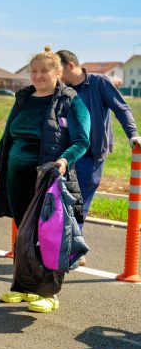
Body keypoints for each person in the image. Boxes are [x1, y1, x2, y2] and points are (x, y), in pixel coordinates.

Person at [0, 47, 91, 313]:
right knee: (24, 231)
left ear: (58, 72)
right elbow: (6, 138)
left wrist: (65, 160)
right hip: (15, 176)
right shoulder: (23, 98)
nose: (38, 76)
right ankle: (23, 287)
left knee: (49, 233)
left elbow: (82, 141)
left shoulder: (70, 101)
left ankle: (48, 293)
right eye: (33, 71)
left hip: (49, 177)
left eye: (44, 71)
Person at [57, 50, 140, 229]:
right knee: (63, 205)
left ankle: (72, 244)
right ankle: (67, 242)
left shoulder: (99, 82)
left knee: (78, 205)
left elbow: (121, 108)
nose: (58, 76)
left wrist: (133, 133)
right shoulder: (63, 89)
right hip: (67, 154)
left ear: (70, 65)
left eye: (60, 71)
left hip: (91, 155)